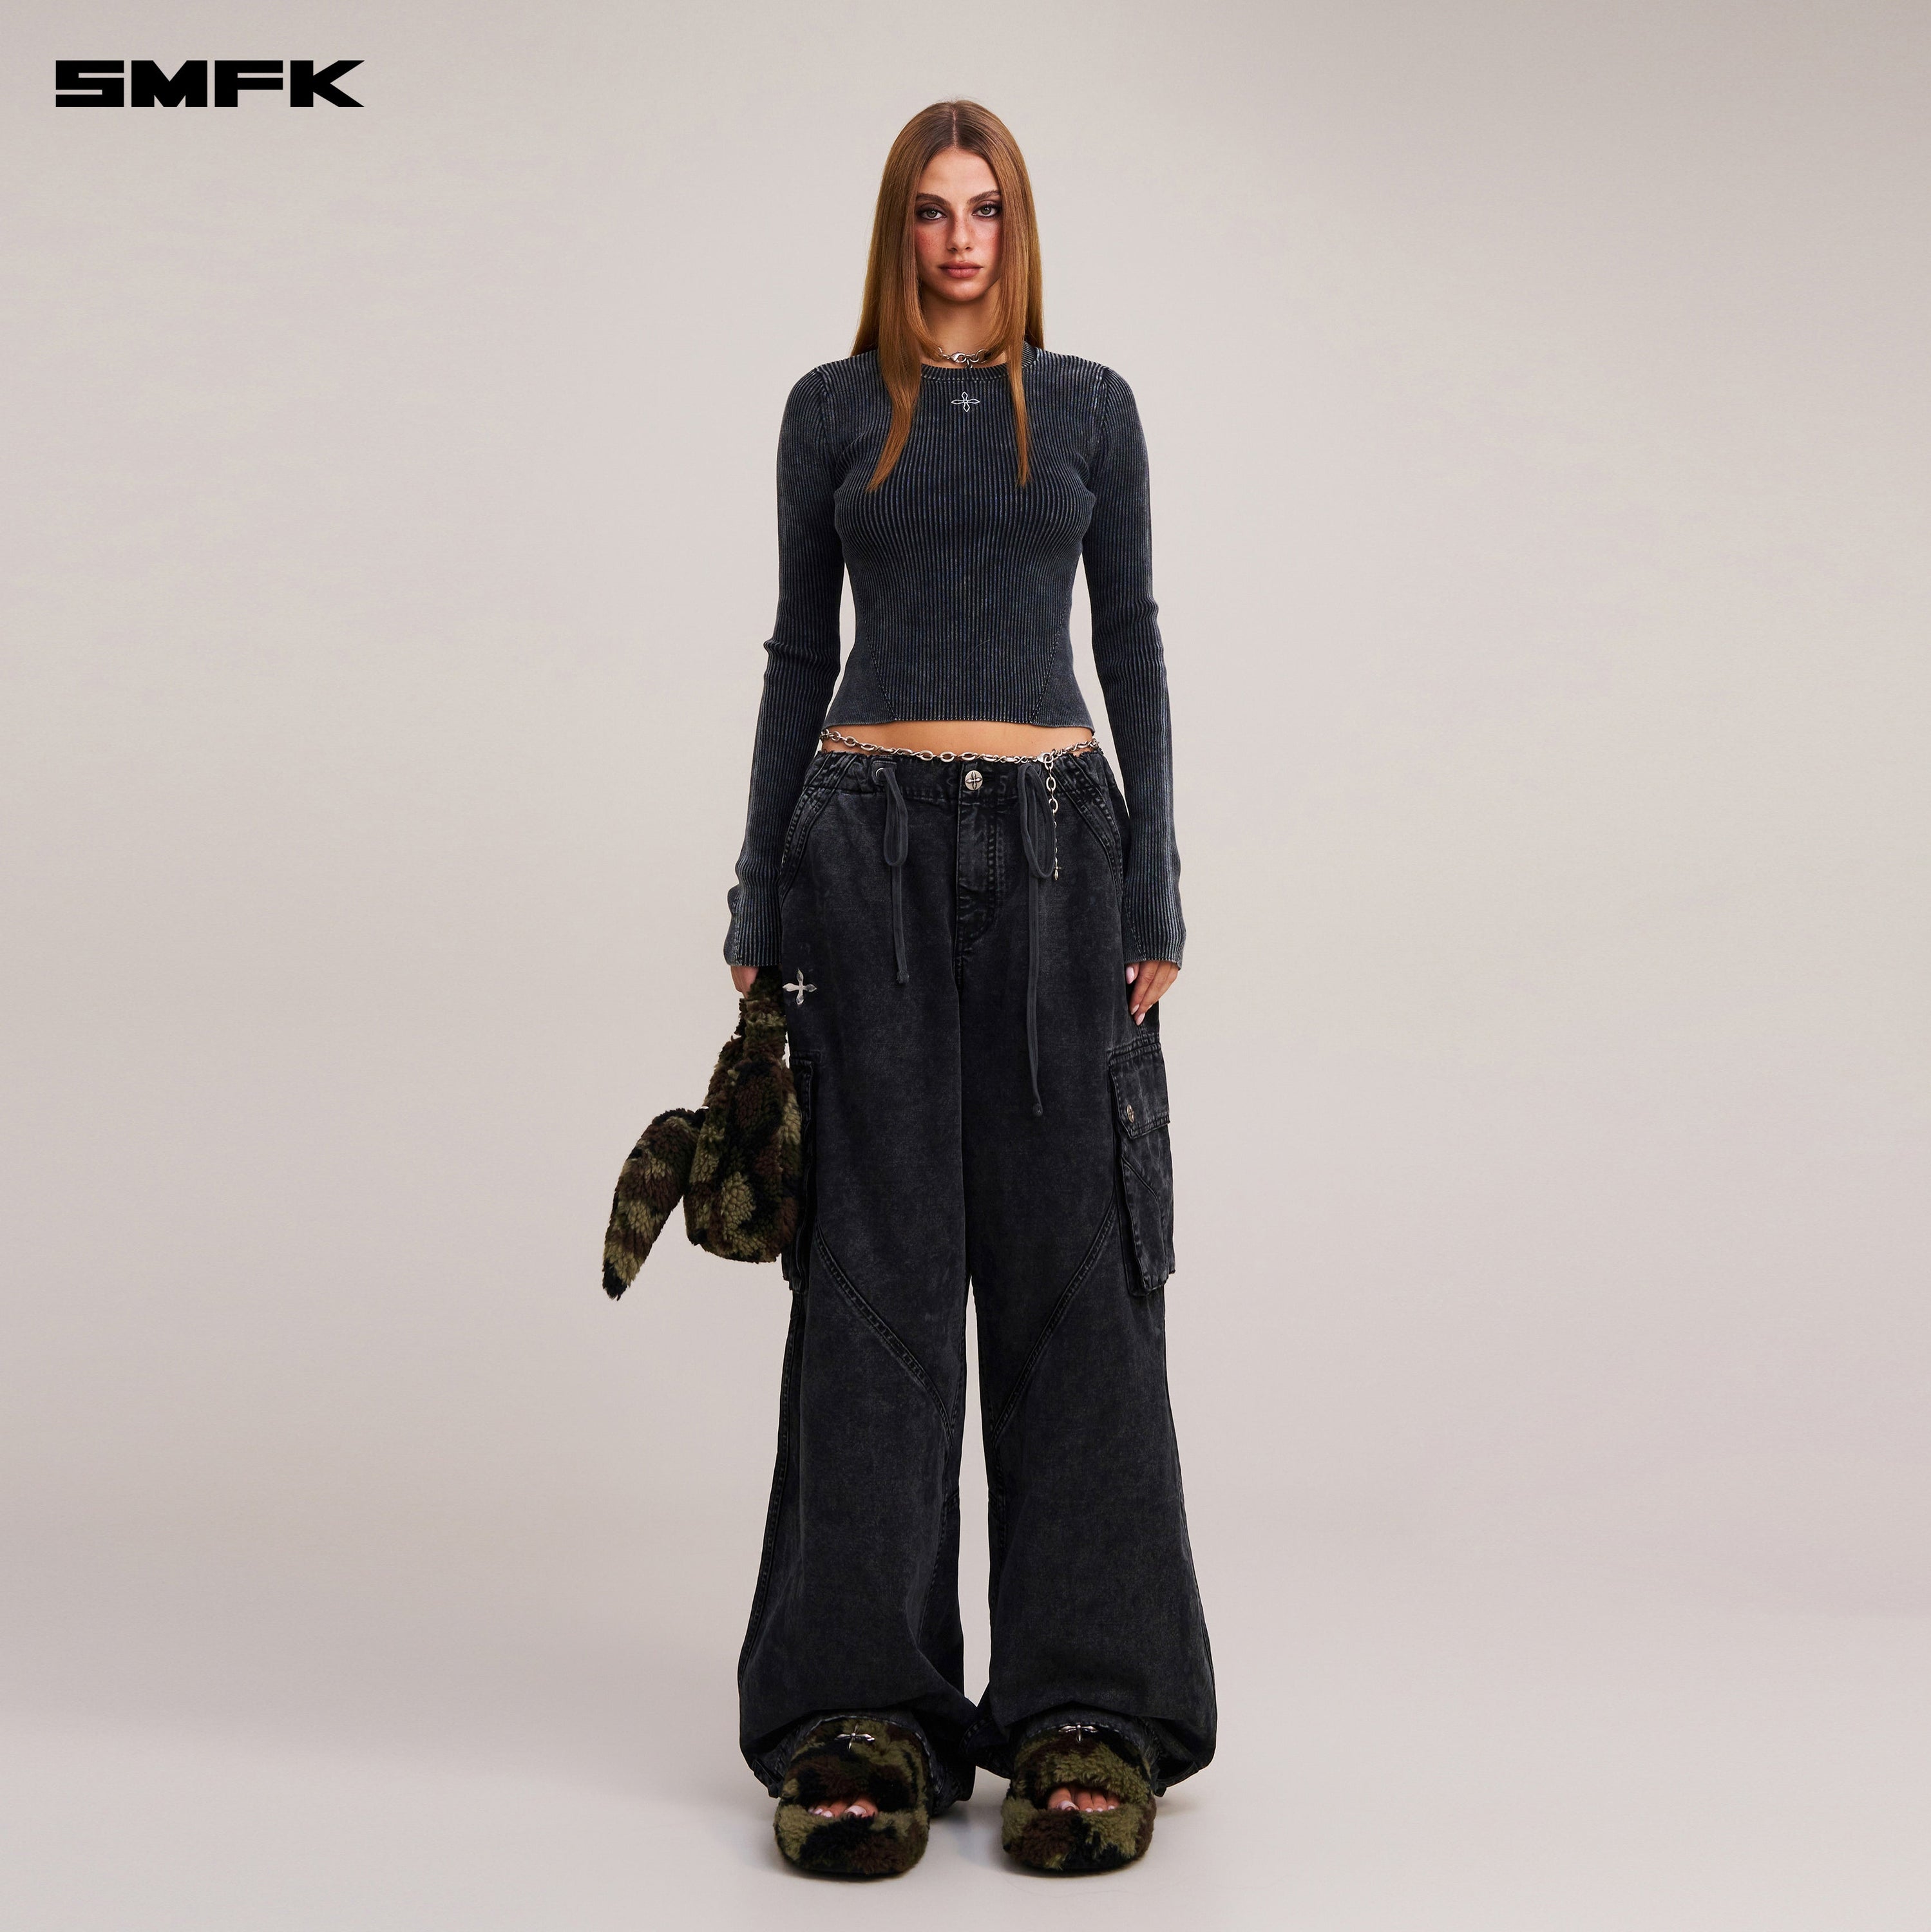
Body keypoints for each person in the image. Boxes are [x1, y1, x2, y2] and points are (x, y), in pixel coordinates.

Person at [722, 99, 1214, 1879]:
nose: (957, 239)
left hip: (1066, 854)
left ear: (1016, 227)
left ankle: (1091, 1706)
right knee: (876, 1277)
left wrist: (1159, 869)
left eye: (984, 207)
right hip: (862, 851)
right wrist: (758, 877)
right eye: (930, 211)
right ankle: (861, 1712)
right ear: (897, 230)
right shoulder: (829, 411)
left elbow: (1130, 639)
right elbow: (802, 650)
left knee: (1078, 1270)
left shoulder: (1088, 408)